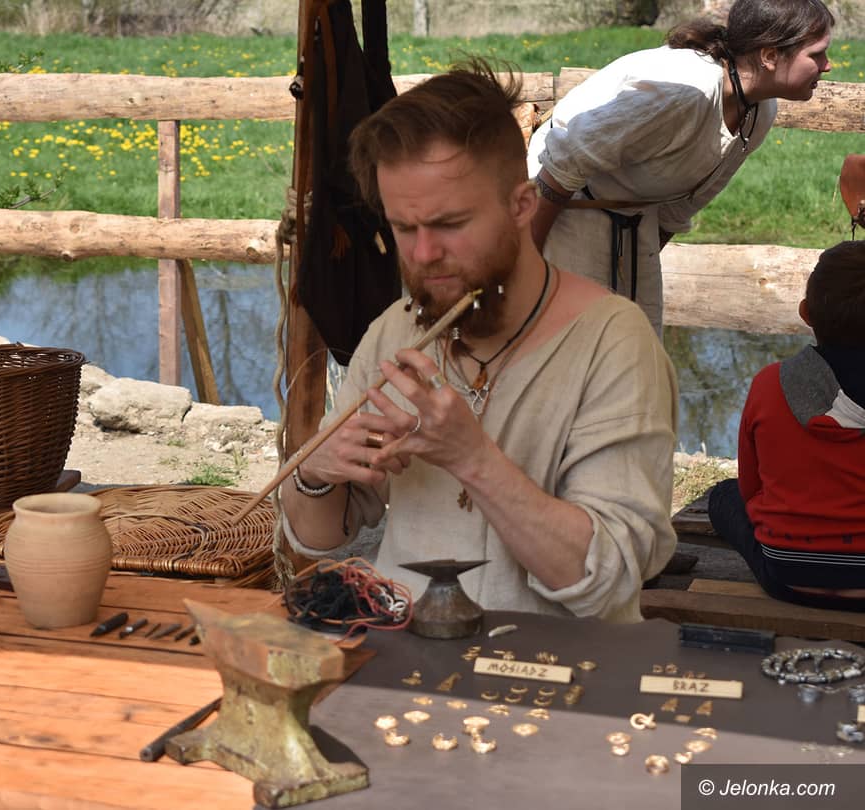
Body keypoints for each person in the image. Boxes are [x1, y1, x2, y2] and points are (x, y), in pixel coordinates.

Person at [279, 60, 679, 623]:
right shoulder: (396, 331)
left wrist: (473, 458)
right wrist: (315, 473)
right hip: (405, 655)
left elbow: (606, 580)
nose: (423, 254)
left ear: (522, 206)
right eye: (404, 227)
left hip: (559, 665)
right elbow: (319, 538)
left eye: (449, 224)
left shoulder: (613, 342)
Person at [527, 0, 834, 331]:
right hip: (563, 201)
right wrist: (526, 265)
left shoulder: (759, 111)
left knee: (639, 339)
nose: (827, 65)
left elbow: (682, 206)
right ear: (770, 56)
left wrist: (639, 259)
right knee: (576, 340)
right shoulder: (687, 90)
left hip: (634, 215)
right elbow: (565, 159)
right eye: (816, 54)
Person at [708, 241, 865, 610]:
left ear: (806, 312)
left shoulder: (769, 384)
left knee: (724, 496)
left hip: (789, 574)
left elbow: (750, 489)